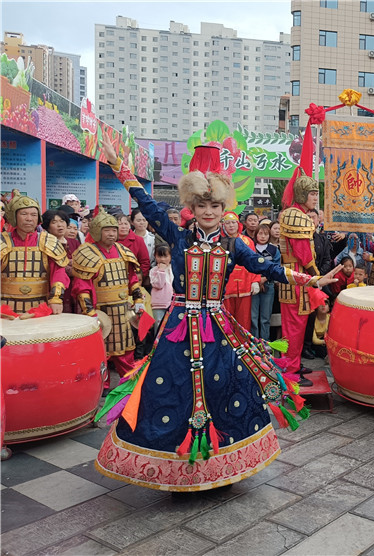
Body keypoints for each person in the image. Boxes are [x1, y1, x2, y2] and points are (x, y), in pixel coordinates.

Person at [94, 136, 339, 491]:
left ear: (224, 208)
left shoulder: (233, 244)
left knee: (224, 388)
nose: (208, 211)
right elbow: (145, 201)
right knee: (171, 390)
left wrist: (312, 279)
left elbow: (267, 267)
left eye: (215, 205)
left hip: (218, 327)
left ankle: (220, 465)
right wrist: (119, 166)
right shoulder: (177, 235)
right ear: (192, 206)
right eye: (202, 205)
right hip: (178, 326)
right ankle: (173, 467)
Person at [72, 209, 145, 390]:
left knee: (126, 349)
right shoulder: (87, 253)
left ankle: (129, 383)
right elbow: (82, 286)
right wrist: (89, 311)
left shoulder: (123, 251)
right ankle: (102, 385)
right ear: (97, 231)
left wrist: (138, 299)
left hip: (122, 309)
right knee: (100, 351)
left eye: (114, 230)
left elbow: (132, 279)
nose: (112, 234)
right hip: (101, 311)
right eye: (107, 230)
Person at [279, 171, 329, 380]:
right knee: (293, 328)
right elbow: (304, 255)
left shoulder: (297, 214)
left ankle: (294, 364)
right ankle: (290, 370)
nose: (316, 198)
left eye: (316, 193)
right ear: (301, 194)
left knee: (298, 327)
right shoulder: (295, 216)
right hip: (295, 278)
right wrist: (317, 277)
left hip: (298, 278)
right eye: (312, 194)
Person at [1, 194, 69, 314]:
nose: (29, 219)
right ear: (14, 216)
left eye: (33, 215)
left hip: (41, 306)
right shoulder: (2, 241)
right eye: (24, 214)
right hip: (5, 307)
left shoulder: (49, 241)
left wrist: (56, 298)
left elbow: (58, 272)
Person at [221, 211, 260, 327]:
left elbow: (254, 262)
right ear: (223, 225)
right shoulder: (219, 242)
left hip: (245, 285)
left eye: (233, 222)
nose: (231, 225)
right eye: (228, 223)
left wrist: (255, 281)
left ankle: (242, 339)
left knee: (244, 320)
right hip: (226, 287)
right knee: (225, 319)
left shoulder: (247, 241)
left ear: (238, 224)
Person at [252, 221, 280, 340]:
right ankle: (254, 341)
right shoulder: (251, 248)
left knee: (265, 317)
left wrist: (264, 279)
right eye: (260, 233)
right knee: (253, 316)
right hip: (253, 285)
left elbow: (276, 267)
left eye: (266, 234)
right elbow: (247, 265)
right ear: (256, 235)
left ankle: (265, 341)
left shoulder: (274, 250)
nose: (263, 236)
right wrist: (257, 279)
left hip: (268, 284)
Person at [115, 214, 151, 281]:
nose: (123, 227)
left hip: (134, 278)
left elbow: (145, 262)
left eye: (126, 224)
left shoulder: (138, 240)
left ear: (130, 225)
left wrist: (138, 277)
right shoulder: (111, 241)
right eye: (120, 224)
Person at [149, 244, 173, 325]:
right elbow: (159, 285)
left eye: (165, 256)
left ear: (170, 256)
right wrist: (161, 270)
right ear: (155, 256)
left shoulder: (173, 269)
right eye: (159, 256)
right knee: (159, 327)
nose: (162, 259)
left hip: (172, 303)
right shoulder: (153, 271)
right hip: (158, 305)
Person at [309, 208, 333, 275]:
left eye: (313, 217)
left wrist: (319, 275)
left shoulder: (323, 239)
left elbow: (327, 261)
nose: (311, 220)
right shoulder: (299, 239)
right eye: (308, 217)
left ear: (318, 219)